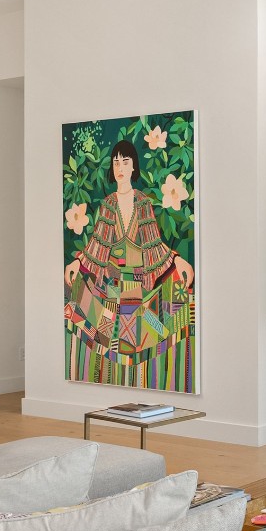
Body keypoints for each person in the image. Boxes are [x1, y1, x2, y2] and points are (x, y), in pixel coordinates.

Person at [64, 140, 194, 379]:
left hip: (137, 286)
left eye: (125, 162)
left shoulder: (143, 203)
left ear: (134, 166)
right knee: (105, 339)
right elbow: (95, 245)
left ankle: (143, 379)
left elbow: (155, 245)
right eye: (116, 162)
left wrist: (177, 260)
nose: (120, 167)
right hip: (110, 285)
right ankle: (105, 380)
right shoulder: (108, 204)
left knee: (140, 337)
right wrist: (76, 262)